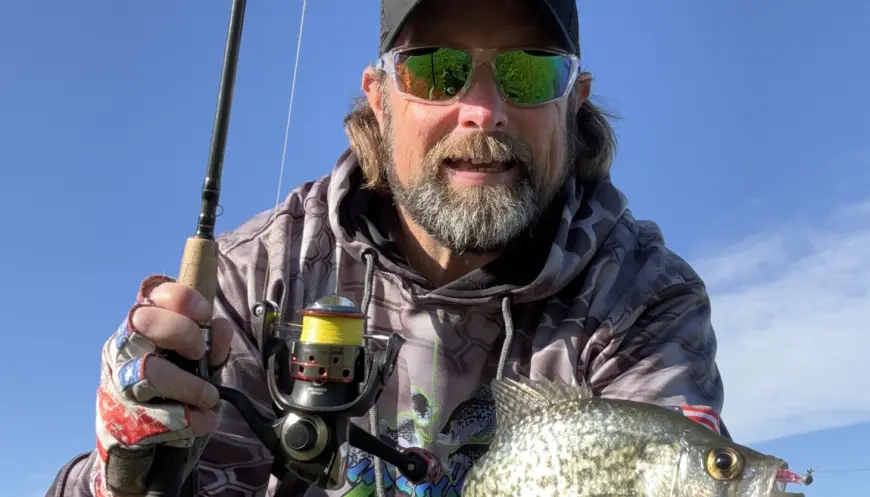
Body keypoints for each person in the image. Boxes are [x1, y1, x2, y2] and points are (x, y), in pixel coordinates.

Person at [47, 0, 728, 496]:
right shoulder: (250, 278)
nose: (483, 109)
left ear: (573, 102)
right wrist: (126, 478)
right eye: (436, 71)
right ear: (379, 99)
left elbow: (682, 464)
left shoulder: (645, 300)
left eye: (527, 72)